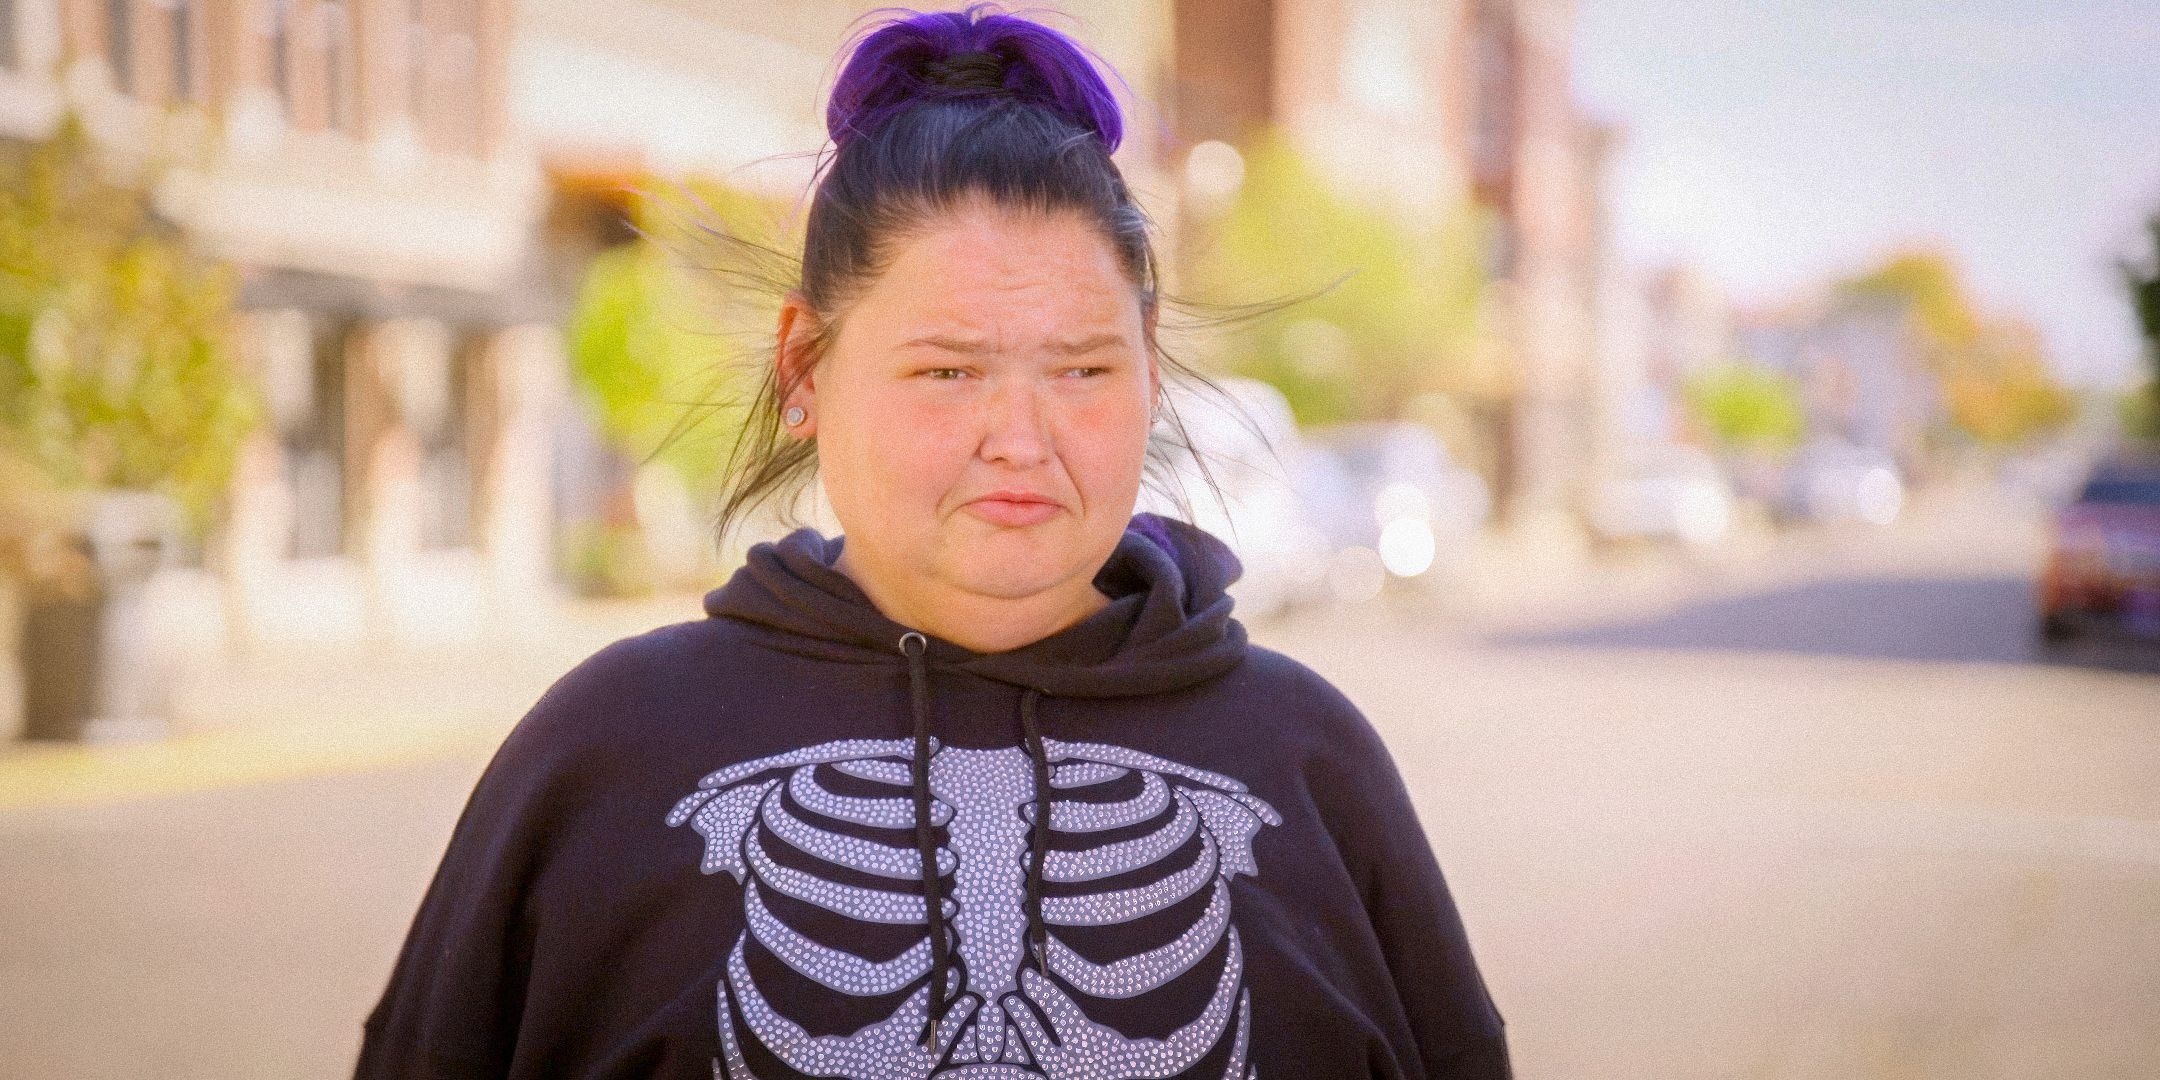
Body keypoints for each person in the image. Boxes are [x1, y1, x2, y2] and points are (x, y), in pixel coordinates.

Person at [354, 5, 1510, 1078]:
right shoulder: (606, 754)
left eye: (1083, 370)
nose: (1021, 437)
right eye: (948, 371)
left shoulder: (1308, 763)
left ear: (1152, 369)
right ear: (804, 367)